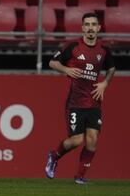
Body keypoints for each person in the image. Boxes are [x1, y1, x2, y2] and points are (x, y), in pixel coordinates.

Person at [45, 12, 115, 184]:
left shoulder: (104, 50)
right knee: (77, 140)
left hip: (94, 102)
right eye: (87, 24)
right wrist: (66, 70)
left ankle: (80, 176)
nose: (90, 27)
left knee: (92, 140)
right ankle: (54, 155)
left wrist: (105, 83)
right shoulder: (73, 46)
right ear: (83, 27)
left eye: (93, 24)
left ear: (98, 28)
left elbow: (111, 69)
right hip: (75, 102)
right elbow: (52, 63)